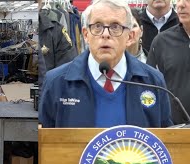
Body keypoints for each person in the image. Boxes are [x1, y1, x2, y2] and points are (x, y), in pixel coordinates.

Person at [39, 0, 173, 128]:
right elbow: (45, 142)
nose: (105, 34)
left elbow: (165, 141)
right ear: (86, 35)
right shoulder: (56, 82)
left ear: (130, 37)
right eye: (97, 26)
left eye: (115, 27)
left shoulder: (153, 82)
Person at [147, 0, 190, 125]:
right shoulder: (162, 41)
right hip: (174, 130)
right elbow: (150, 88)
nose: (181, 5)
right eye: (179, 0)